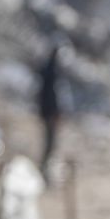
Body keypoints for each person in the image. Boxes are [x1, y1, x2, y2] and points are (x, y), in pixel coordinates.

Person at [38, 39, 66, 171]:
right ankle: (45, 166)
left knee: (50, 142)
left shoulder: (48, 72)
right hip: (49, 112)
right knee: (49, 142)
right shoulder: (50, 73)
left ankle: (46, 165)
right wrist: (53, 112)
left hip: (47, 112)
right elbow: (50, 95)